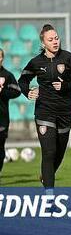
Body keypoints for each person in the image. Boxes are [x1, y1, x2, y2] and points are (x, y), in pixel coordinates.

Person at [18, 24, 71, 198]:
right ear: (43, 42)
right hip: (44, 112)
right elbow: (23, 81)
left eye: (56, 38)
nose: (55, 41)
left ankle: (45, 177)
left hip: (65, 112)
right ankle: (49, 195)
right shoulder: (36, 62)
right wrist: (28, 92)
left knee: (59, 153)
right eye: (51, 39)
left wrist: (67, 86)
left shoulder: (69, 58)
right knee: (48, 152)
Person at [0, 48, 21, 180]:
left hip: (1, 117)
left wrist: (2, 92)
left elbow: (17, 91)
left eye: (0, 56)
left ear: (3, 58)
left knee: (0, 146)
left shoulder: (7, 75)